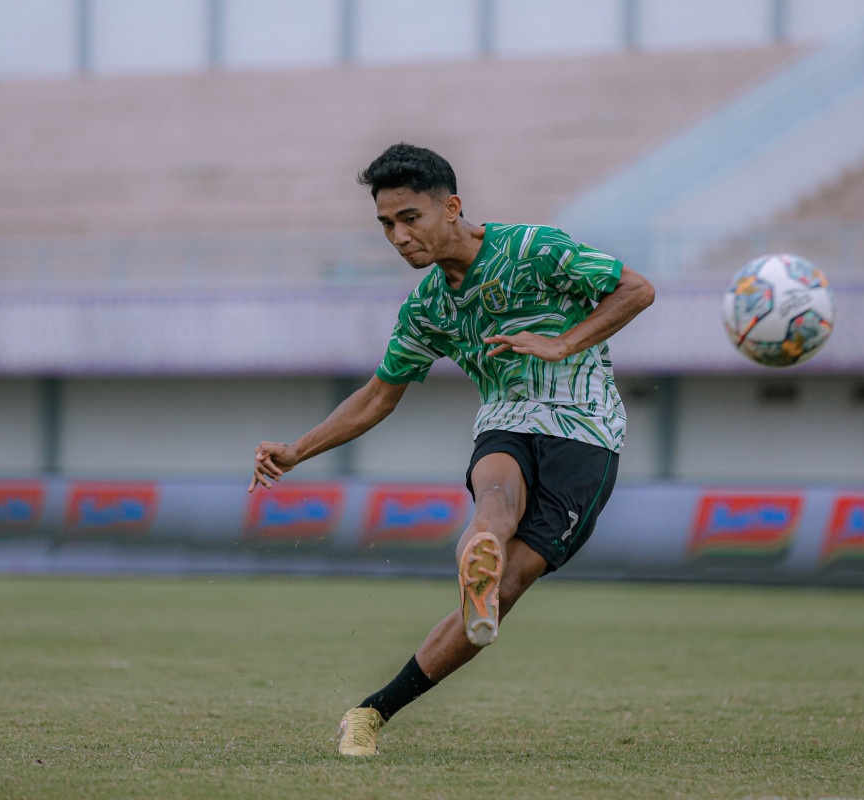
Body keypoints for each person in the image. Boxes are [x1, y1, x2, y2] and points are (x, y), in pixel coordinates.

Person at [247, 143, 654, 756]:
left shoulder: (532, 250)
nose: (398, 236)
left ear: (452, 207)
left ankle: (375, 705)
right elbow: (378, 396)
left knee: (507, 589)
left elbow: (636, 289)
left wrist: (563, 343)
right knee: (493, 503)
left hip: (586, 430)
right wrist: (297, 451)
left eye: (410, 218)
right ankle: (479, 555)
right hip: (506, 418)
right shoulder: (428, 307)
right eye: (386, 224)